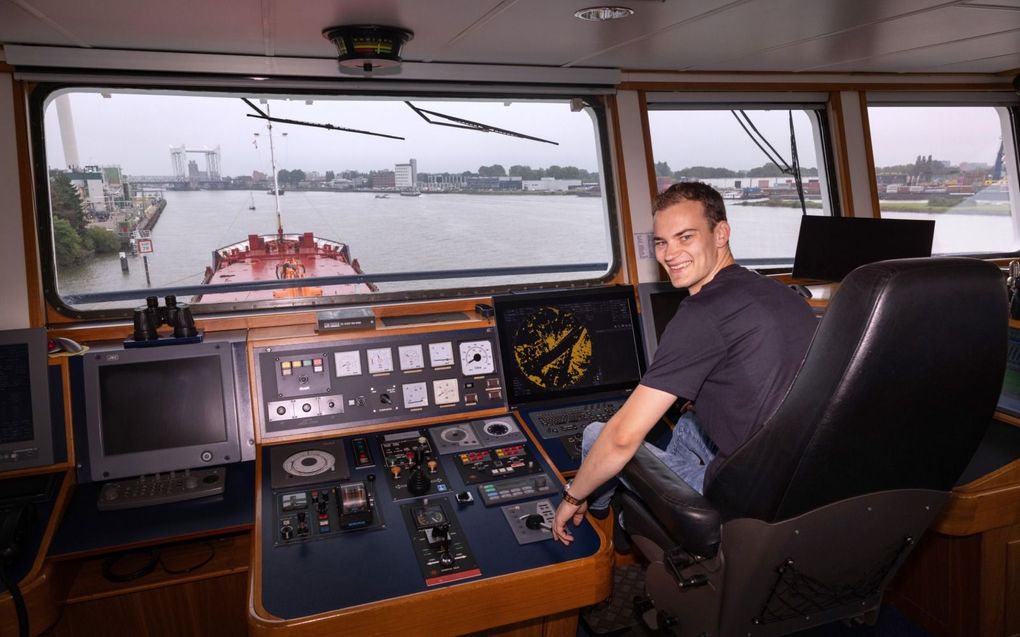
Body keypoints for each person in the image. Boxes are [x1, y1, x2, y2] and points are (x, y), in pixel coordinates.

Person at [552, 182, 817, 545]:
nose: (669, 254)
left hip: (743, 502)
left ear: (720, 233)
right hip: (799, 481)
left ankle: (601, 519)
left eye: (685, 237)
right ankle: (664, 518)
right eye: (661, 242)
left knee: (599, 435)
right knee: (690, 420)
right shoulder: (777, 291)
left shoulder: (702, 312)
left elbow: (622, 439)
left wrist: (572, 494)